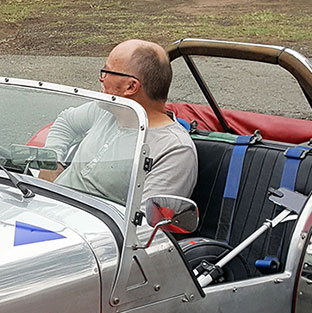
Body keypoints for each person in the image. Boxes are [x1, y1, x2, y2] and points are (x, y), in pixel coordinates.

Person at [42, 40, 197, 206]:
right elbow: (66, 121)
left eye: (106, 72)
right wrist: (50, 162)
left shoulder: (174, 150)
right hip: (46, 206)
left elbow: (144, 219)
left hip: (89, 221)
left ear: (131, 86)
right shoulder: (108, 108)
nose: (101, 79)